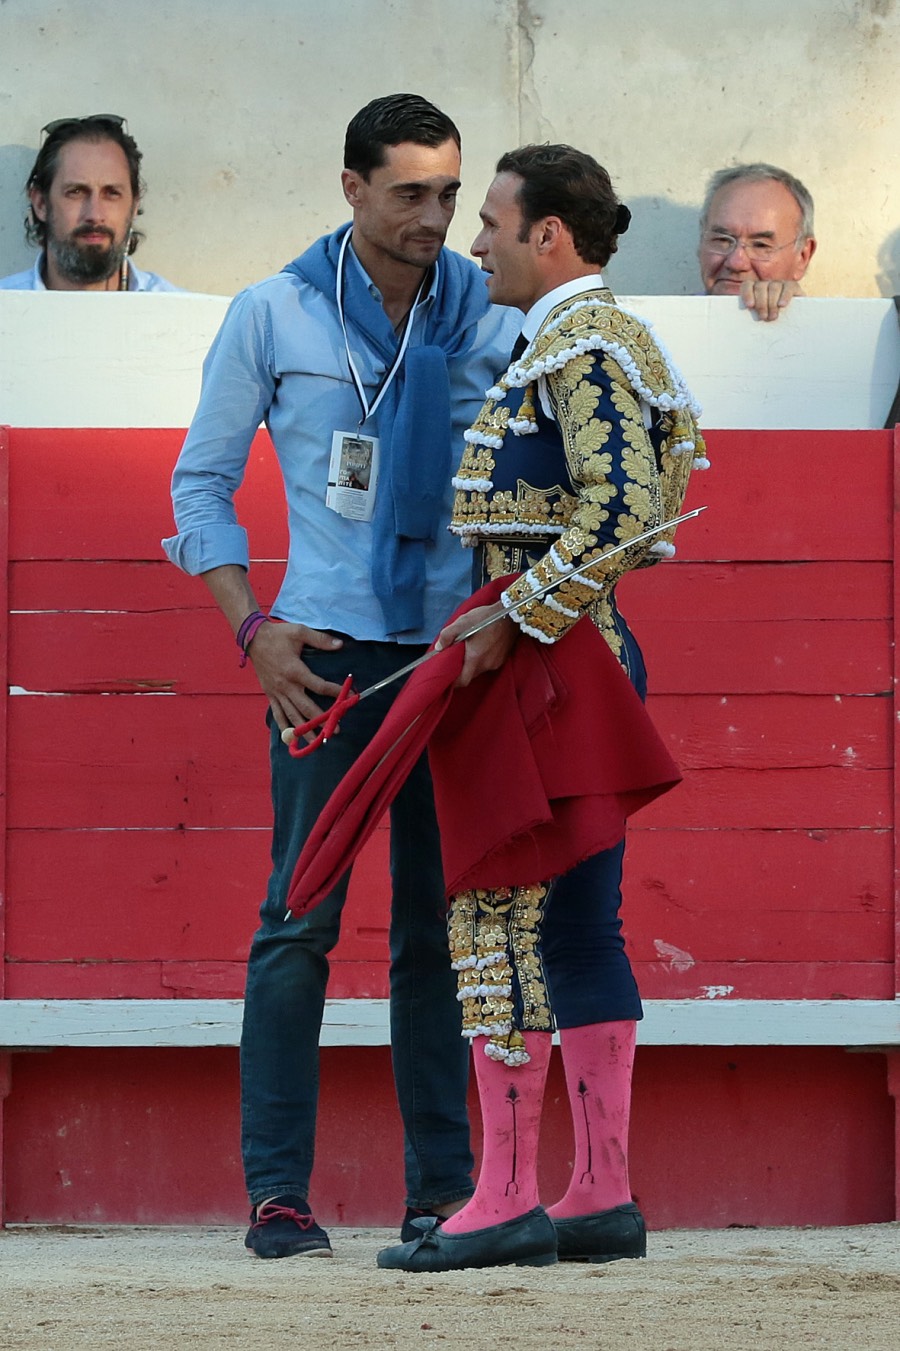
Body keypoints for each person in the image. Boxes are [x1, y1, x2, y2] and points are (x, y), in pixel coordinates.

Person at [162, 93, 520, 1260]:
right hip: (320, 660)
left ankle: (443, 1191)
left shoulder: (491, 317)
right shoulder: (272, 312)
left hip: (449, 655)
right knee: (296, 920)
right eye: (408, 193)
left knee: (435, 927)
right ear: (352, 187)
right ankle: (277, 1195)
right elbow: (200, 482)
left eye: (450, 196)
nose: (433, 218)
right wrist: (251, 630)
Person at [377, 144, 707, 1273]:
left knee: (496, 917)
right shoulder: (578, 344)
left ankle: (509, 1193)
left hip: (553, 662)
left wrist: (516, 614)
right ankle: (600, 1193)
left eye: (494, 224)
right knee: (574, 923)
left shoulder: (583, 346)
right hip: (578, 654)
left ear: (549, 235)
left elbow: (622, 514)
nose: (477, 244)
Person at [0, 114, 179, 292]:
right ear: (41, 204)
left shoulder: (181, 314)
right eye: (76, 192)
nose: (95, 215)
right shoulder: (6, 308)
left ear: (134, 205)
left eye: (112, 193)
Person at [698, 162, 816, 322]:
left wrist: (801, 317)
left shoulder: (829, 339)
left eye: (760, 245)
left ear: (802, 256)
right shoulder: (662, 330)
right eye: (722, 240)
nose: (736, 263)